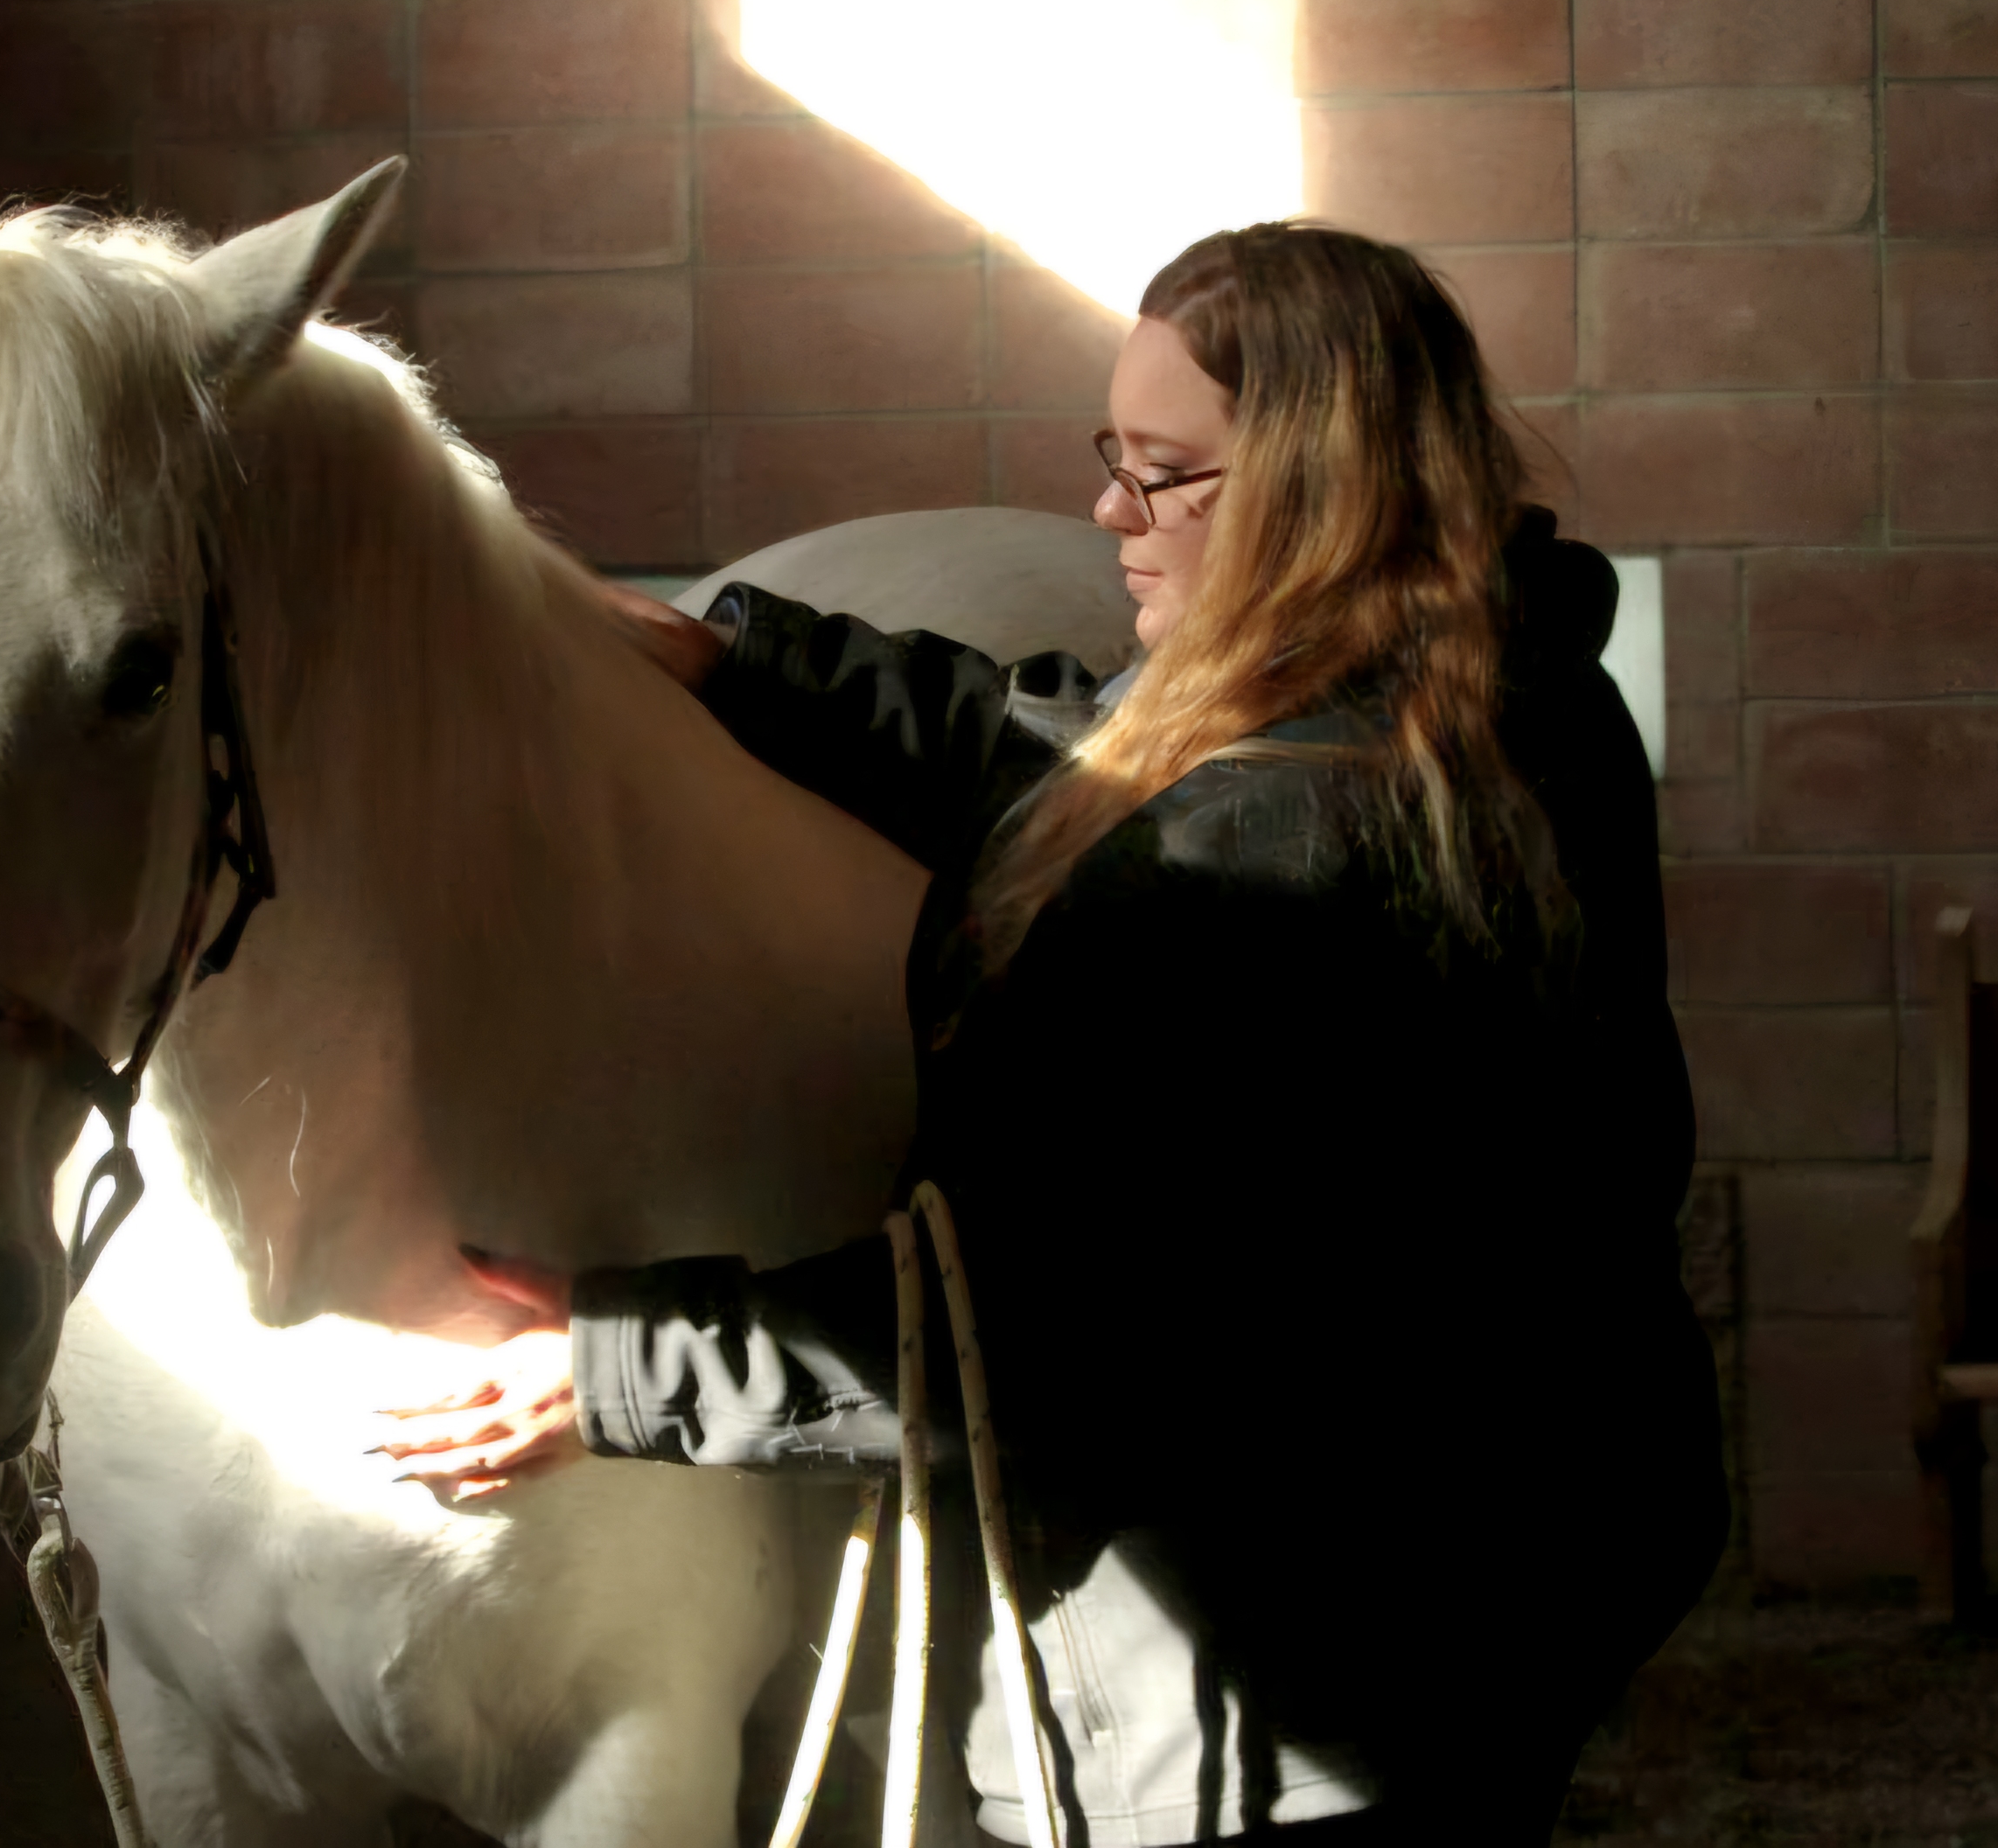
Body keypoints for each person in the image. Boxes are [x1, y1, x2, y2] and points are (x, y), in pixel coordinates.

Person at [381, 222, 1728, 1845]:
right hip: (1508, 1576)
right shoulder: (1505, 699)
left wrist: (608, 1365)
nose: (1109, 511)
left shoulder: (1265, 851)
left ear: (1318, 484)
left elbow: (1021, 1327)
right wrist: (739, 659)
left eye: (1165, 471)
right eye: (1113, 455)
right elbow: (1091, 765)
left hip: (1252, 1703)